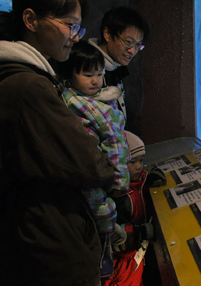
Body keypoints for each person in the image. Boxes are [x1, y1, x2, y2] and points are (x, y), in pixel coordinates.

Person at [0, 0, 115, 286]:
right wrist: (112, 169)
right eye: (69, 25)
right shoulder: (29, 86)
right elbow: (89, 164)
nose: (75, 37)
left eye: (78, 29)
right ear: (30, 20)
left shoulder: (25, 78)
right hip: (51, 246)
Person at [58, 40, 132, 276]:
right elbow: (111, 140)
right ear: (70, 75)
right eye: (87, 74)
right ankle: (106, 244)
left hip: (105, 172)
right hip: (95, 175)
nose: (95, 81)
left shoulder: (92, 99)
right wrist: (120, 181)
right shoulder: (76, 105)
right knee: (101, 209)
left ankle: (109, 241)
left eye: (99, 74)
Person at [102, 130, 166, 286]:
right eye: (132, 162)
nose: (139, 166)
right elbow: (112, 234)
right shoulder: (116, 196)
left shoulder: (137, 181)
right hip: (120, 262)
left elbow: (140, 184)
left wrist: (150, 177)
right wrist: (140, 232)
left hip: (135, 257)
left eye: (141, 160)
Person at [88, 7, 150, 120]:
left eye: (138, 45)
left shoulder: (114, 66)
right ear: (107, 34)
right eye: (128, 42)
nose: (132, 51)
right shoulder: (85, 64)